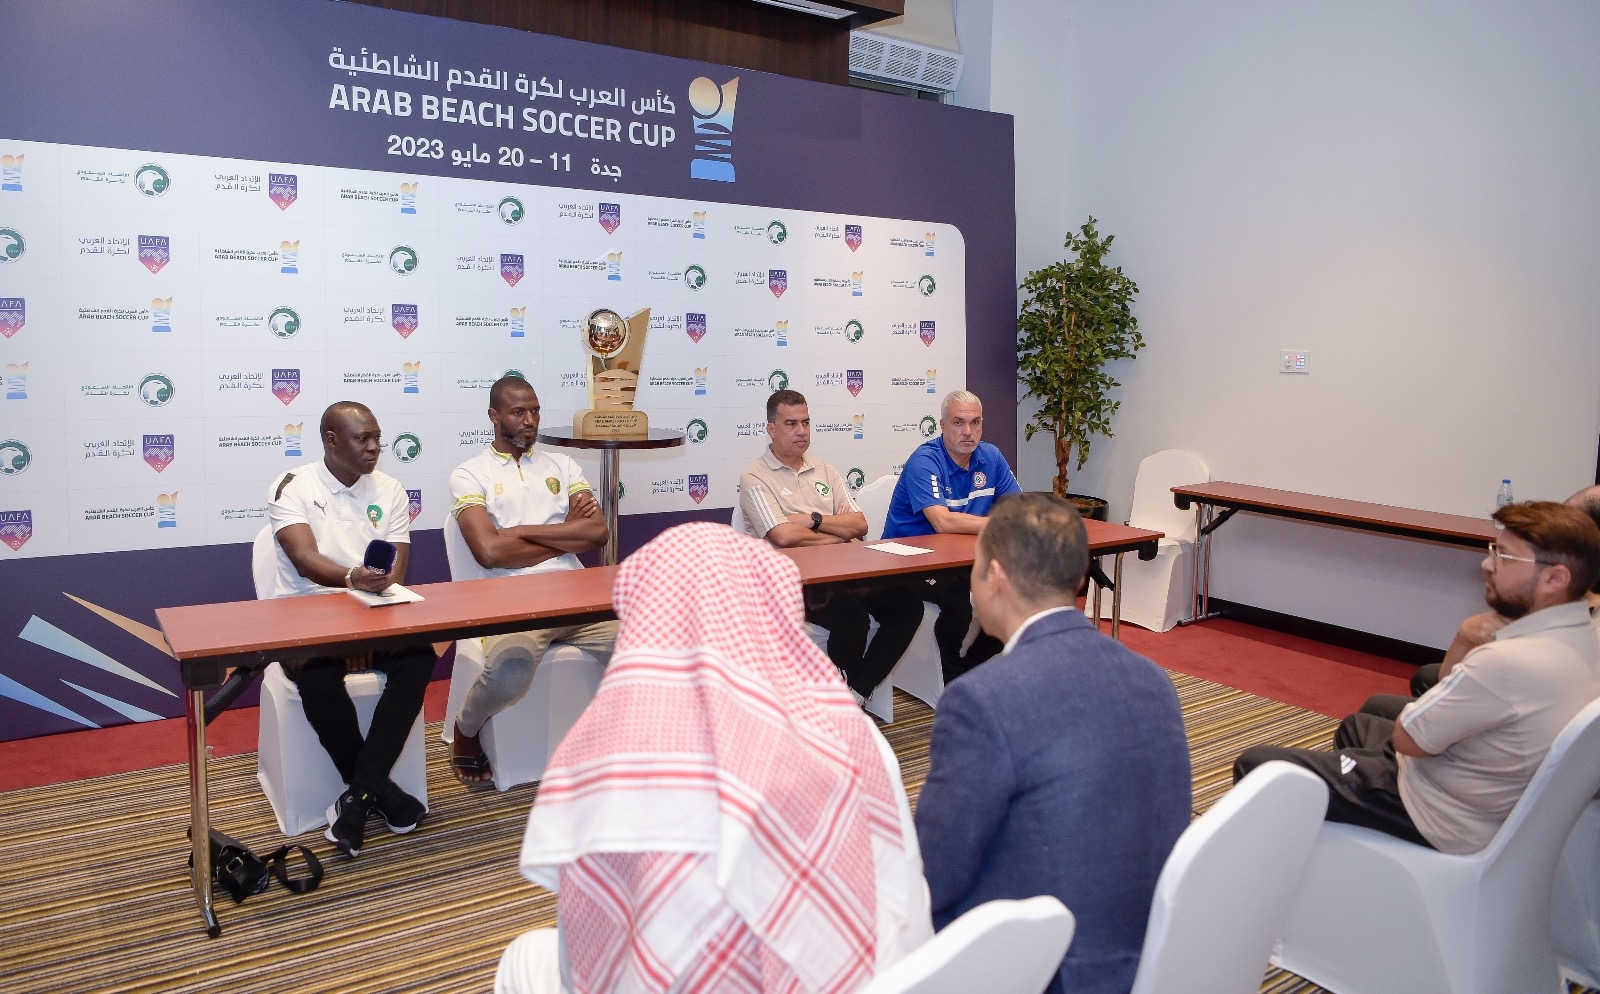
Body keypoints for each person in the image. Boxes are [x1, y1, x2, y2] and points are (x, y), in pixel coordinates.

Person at [495, 523, 932, 994]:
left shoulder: (608, 759)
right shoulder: (852, 731)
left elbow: (581, 951)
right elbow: (904, 896)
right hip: (855, 974)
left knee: (522, 957)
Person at [913, 493, 1191, 994]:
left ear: (994, 578)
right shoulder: (1153, 679)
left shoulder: (980, 700)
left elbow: (933, 876)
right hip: (1151, 954)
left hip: (1043, 972)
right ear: (1079, 578)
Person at [1234, 500, 1600, 854]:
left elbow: (1408, 738)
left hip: (1438, 811)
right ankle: (1344, 851)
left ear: (1555, 578)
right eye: (1494, 549)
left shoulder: (1508, 661)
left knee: (1258, 764)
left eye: (1504, 555)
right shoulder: (1585, 635)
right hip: (1482, 797)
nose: (1487, 564)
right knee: (1358, 726)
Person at [267, 400, 432, 857]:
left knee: (419, 656)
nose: (375, 448)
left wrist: (365, 613)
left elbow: (396, 569)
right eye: (363, 439)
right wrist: (348, 580)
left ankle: (358, 800)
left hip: (374, 614)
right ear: (330, 440)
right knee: (317, 674)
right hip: (308, 618)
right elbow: (304, 560)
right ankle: (381, 793)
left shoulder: (392, 489)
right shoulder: (293, 486)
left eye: (377, 438)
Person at [447, 375, 616, 785]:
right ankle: (464, 731)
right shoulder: (470, 474)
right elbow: (488, 552)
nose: (530, 420)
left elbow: (596, 533)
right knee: (510, 672)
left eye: (535, 411)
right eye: (518, 412)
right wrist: (562, 532)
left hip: (577, 599)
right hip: (513, 603)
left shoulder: (563, 464)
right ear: (494, 415)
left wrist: (516, 533)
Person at [738, 389, 923, 704]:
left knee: (907, 605)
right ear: (771, 428)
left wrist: (811, 520)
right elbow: (783, 537)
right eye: (791, 423)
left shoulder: (825, 470)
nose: (801, 431)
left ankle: (856, 694)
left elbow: (860, 525)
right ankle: (843, 706)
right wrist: (838, 532)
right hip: (795, 584)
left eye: (806, 423)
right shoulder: (755, 477)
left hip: (845, 574)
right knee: (851, 618)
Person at [1406, 484, 1600, 697]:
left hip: (1521, 695)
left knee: (1374, 713)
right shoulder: (1580, 606)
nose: (1487, 565)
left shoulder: (1510, 658)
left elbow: (1408, 729)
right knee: (1426, 676)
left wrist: (1466, 634)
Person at [881, 389, 1022, 680]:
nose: (968, 432)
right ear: (942, 425)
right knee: (957, 601)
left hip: (963, 557)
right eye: (958, 423)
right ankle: (951, 680)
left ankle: (970, 668)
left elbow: (1017, 511)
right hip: (909, 562)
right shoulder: (925, 460)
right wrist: (997, 525)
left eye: (975, 423)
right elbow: (942, 522)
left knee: (1018, 589)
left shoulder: (991, 457)